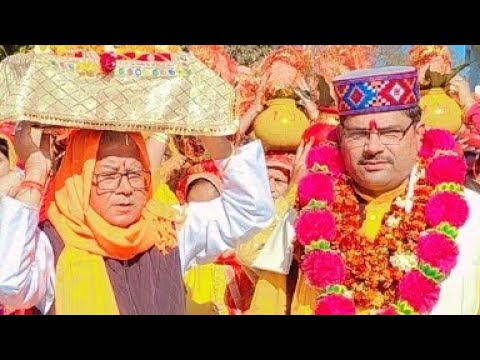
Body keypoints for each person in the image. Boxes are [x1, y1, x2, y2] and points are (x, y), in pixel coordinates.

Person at [0, 122, 274, 315]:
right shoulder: (53, 246)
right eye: (108, 176)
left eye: (134, 173)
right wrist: (35, 170)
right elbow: (8, 281)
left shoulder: (167, 232)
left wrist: (210, 132)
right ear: (78, 182)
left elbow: (251, 211)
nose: (125, 187)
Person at [288, 66, 480, 315]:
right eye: (358, 134)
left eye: (390, 132)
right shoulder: (305, 213)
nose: (373, 147)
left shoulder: (473, 218)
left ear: (419, 134)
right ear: (340, 137)